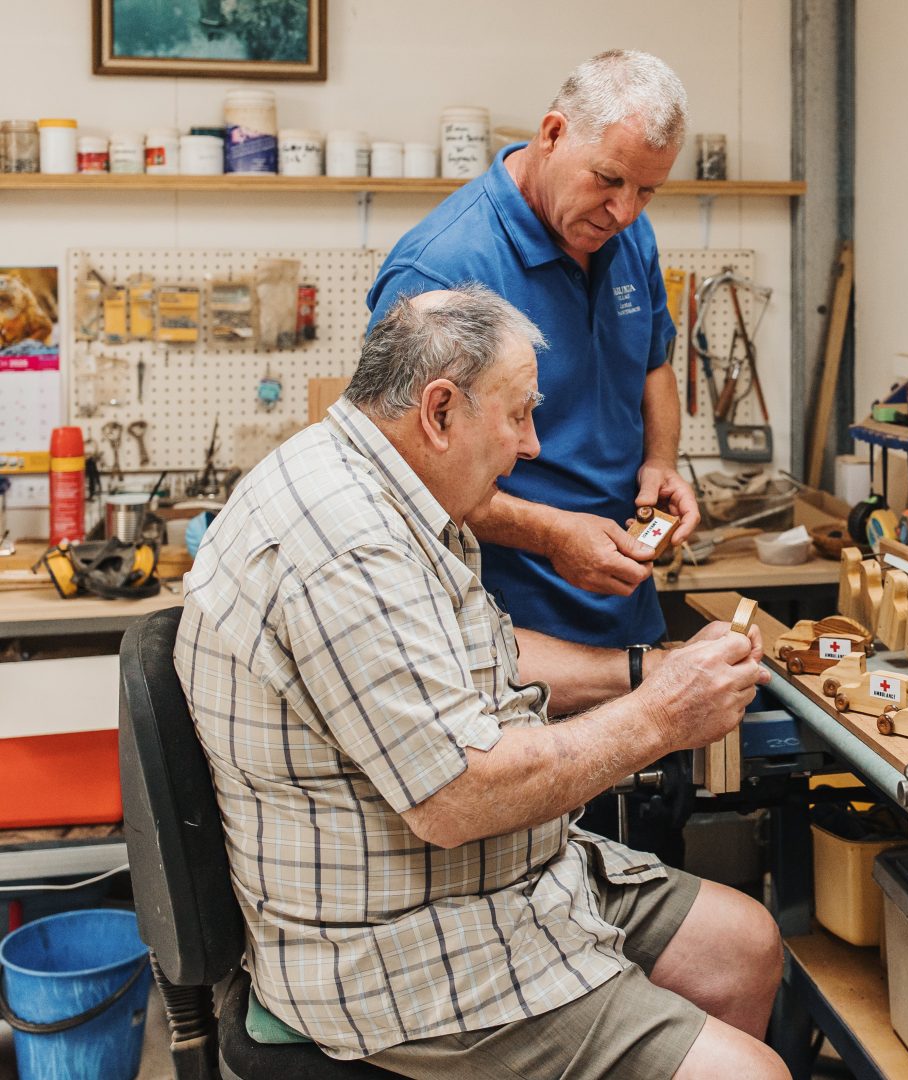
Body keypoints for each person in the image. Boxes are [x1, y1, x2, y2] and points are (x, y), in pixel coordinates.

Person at [175, 287, 788, 1079]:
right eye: (519, 415)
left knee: (745, 945)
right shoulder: (346, 547)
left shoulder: (396, 493)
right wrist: (662, 716)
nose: (531, 445)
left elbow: (466, 659)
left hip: (501, 880)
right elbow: (459, 796)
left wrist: (643, 670)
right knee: (753, 1075)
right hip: (398, 951)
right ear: (439, 411)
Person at [368, 49, 700, 651]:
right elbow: (400, 474)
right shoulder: (441, 267)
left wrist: (661, 461)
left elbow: (653, 364)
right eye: (608, 179)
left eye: (647, 191)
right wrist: (551, 534)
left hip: (627, 615)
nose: (624, 212)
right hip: (504, 632)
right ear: (552, 135)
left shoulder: (628, 235)